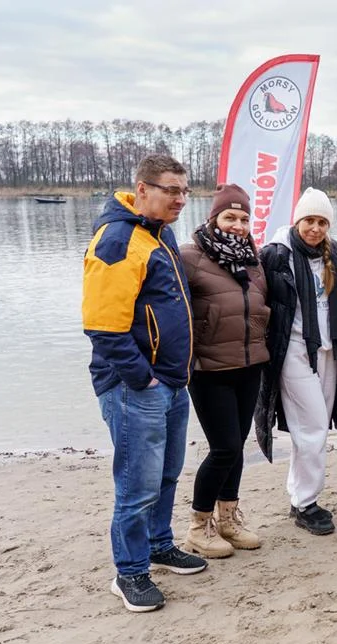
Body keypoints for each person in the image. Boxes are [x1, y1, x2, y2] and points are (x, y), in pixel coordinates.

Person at [82, 154, 205, 613]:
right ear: (142, 188)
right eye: (171, 190)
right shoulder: (117, 241)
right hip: (136, 387)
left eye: (184, 191)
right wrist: (142, 380)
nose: (180, 199)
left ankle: (159, 544)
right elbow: (102, 327)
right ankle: (130, 572)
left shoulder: (159, 233)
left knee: (167, 473)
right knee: (137, 484)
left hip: (172, 381)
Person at [180, 184, 268, 559]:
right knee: (224, 447)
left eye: (244, 218)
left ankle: (229, 519)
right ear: (212, 218)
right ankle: (199, 527)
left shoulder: (254, 260)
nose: (237, 225)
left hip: (249, 366)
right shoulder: (189, 256)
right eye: (230, 217)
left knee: (237, 448)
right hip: (209, 369)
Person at [255, 187, 337, 536]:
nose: (315, 228)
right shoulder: (276, 255)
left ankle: (298, 495)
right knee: (310, 428)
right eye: (309, 220)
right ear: (297, 220)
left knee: (316, 426)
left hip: (328, 349)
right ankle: (306, 503)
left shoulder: (335, 255)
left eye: (322, 221)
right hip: (294, 348)